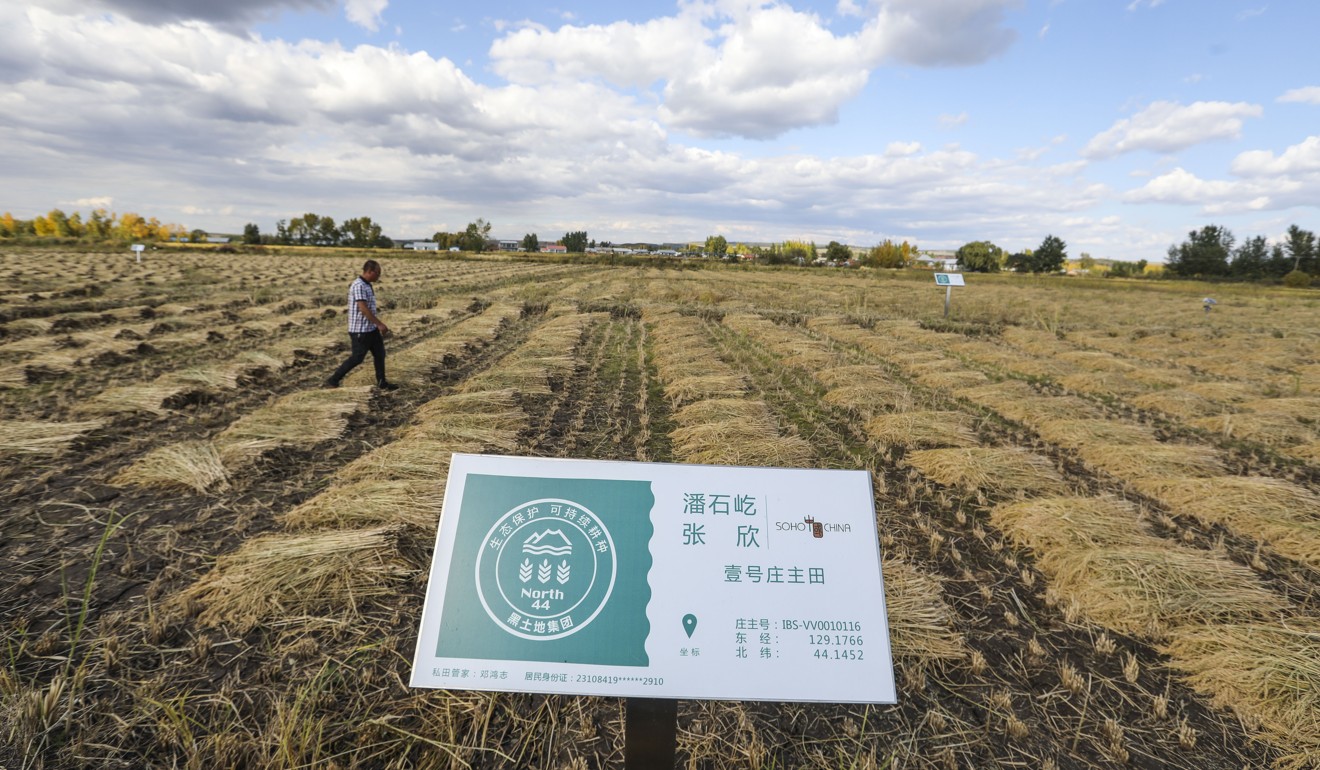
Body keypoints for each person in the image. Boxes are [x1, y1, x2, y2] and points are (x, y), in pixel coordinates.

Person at [325, 259, 398, 390]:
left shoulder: (367, 285)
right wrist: (380, 324)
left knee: (380, 354)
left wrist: (375, 325)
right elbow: (363, 308)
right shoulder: (358, 285)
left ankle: (382, 383)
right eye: (377, 273)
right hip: (360, 330)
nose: (379, 276)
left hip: (370, 328)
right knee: (357, 358)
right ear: (369, 271)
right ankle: (333, 380)